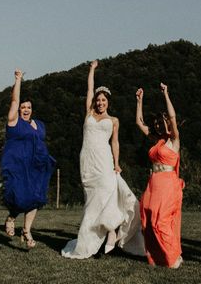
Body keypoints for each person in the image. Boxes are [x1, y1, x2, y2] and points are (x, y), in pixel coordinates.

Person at [61, 60, 145, 259]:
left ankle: (112, 231)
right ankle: (92, 239)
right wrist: (91, 70)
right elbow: (89, 89)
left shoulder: (113, 120)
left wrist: (116, 163)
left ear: (108, 102)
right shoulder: (88, 114)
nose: (100, 103)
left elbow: (115, 143)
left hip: (105, 161)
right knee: (93, 201)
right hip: (88, 161)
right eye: (98, 100)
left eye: (103, 100)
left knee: (109, 192)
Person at [1, 69, 56, 248]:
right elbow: (14, 100)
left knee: (36, 197)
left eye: (28, 107)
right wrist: (18, 80)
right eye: (23, 107)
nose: (25, 110)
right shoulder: (13, 121)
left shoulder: (39, 125)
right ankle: (10, 218)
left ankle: (27, 230)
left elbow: (40, 144)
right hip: (17, 165)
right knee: (19, 197)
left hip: (36, 166)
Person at [135, 84, 184, 268]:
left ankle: (174, 256)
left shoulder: (174, 139)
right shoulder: (157, 140)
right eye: (156, 122)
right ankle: (155, 256)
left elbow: (172, 116)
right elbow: (139, 122)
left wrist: (165, 94)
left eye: (162, 121)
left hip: (168, 182)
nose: (158, 124)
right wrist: (139, 101)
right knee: (147, 216)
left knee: (161, 219)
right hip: (153, 182)